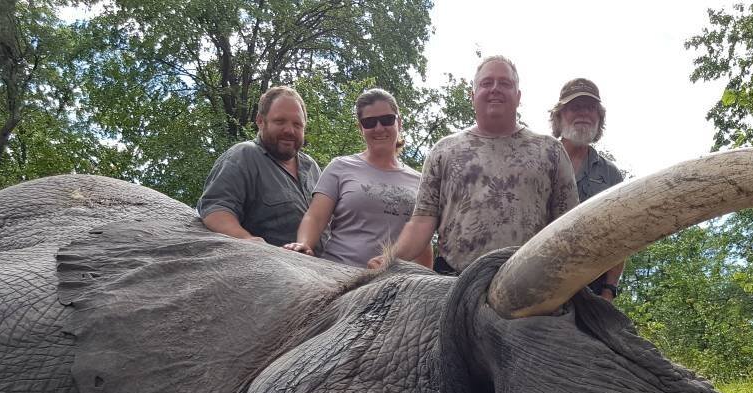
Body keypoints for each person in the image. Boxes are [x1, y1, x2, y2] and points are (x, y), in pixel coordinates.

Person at [378, 55, 578, 273]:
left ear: (518, 96)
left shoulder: (550, 151)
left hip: (528, 284)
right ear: (472, 95)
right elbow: (421, 223)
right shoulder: (443, 151)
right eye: (486, 83)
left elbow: (569, 228)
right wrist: (389, 259)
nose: (495, 88)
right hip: (454, 281)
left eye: (505, 83)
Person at [284, 88, 429, 267]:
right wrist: (304, 244)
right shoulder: (340, 167)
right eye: (369, 122)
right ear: (360, 128)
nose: (379, 128)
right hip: (338, 276)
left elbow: (423, 240)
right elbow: (315, 216)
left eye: (387, 120)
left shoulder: (421, 181)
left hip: (393, 285)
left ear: (399, 123)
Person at [197, 86, 321, 247]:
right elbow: (215, 209)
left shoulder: (312, 167)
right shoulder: (243, 156)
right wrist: (247, 240)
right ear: (260, 121)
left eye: (297, 124)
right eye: (280, 121)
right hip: (272, 267)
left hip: (325, 267)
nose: (289, 130)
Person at [550, 77, 625, 301]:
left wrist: (609, 290)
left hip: (591, 289)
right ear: (559, 116)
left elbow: (619, 236)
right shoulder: (538, 159)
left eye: (590, 108)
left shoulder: (610, 174)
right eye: (575, 107)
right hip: (538, 282)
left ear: (599, 117)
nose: (583, 113)